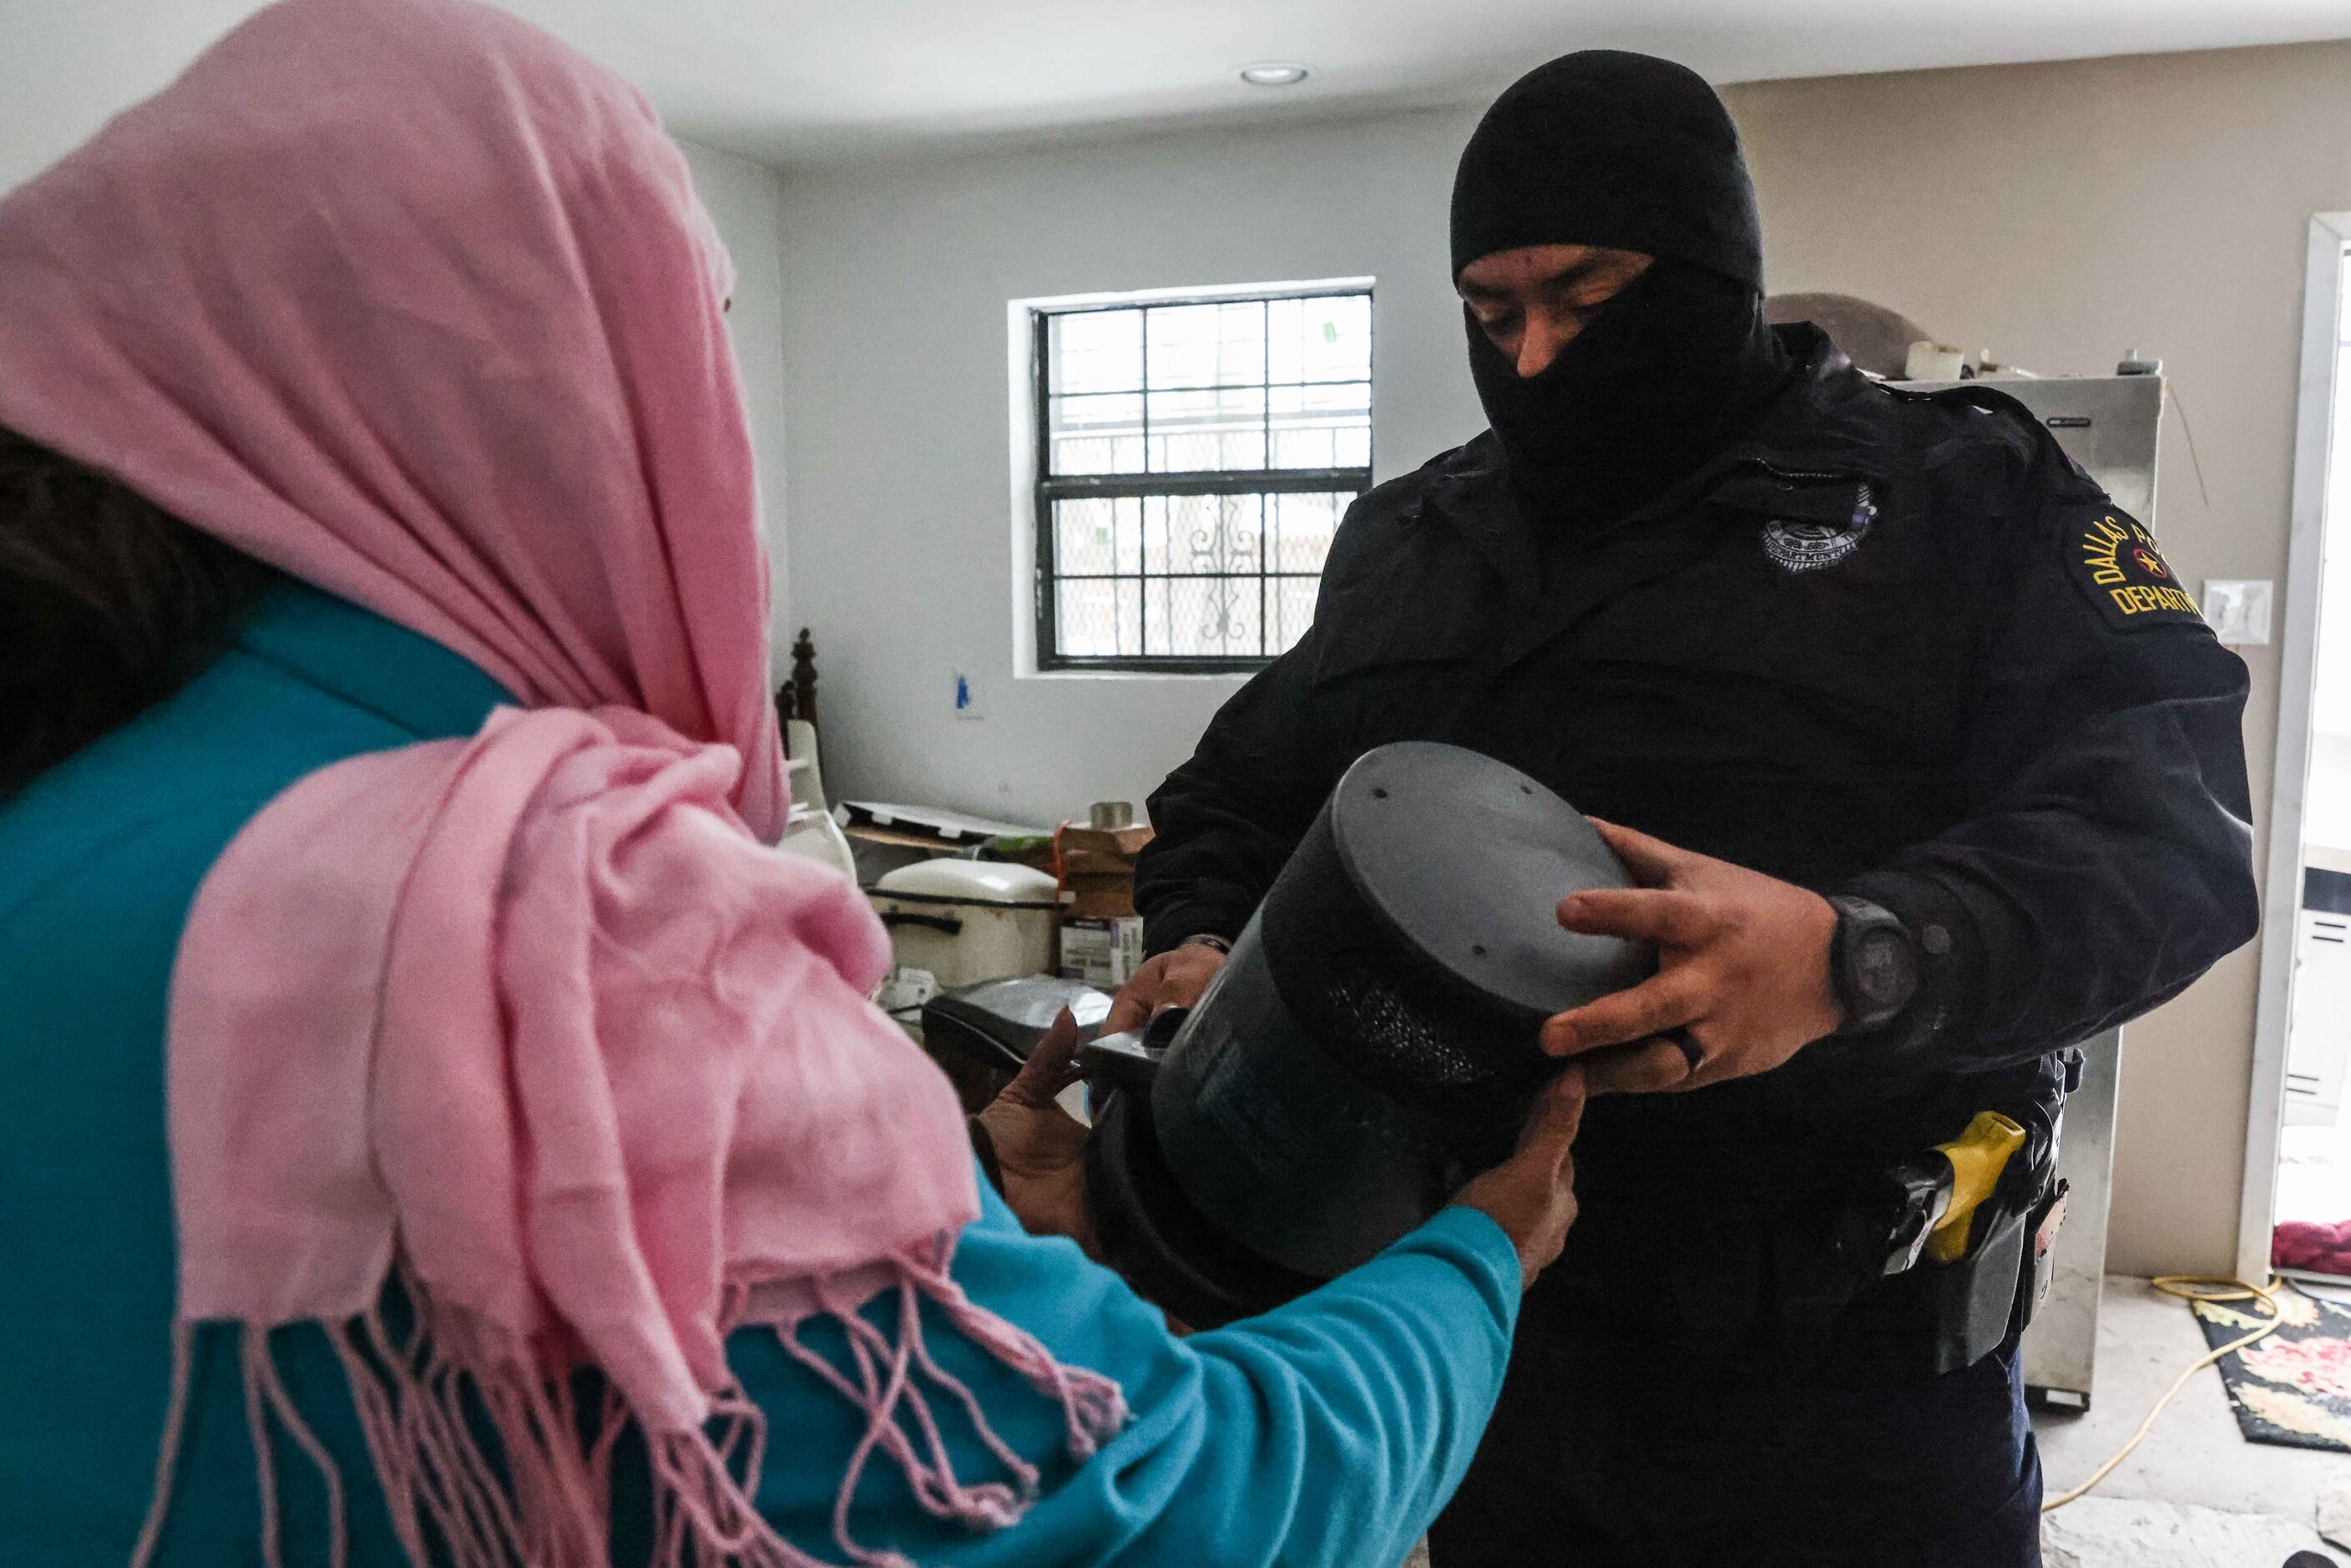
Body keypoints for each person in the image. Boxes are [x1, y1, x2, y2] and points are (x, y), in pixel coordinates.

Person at [0, 3, 1592, 1564]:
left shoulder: (60, 804)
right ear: (592, 405)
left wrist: (954, 1236)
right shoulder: (586, 936)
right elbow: (1170, 1509)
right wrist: (1466, 1270)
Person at [1119, 49, 2259, 1567]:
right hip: (1496, 1354)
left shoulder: (1964, 502)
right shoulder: (1414, 537)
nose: (1533, 360)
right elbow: (1230, 793)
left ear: (1718, 273)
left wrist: (1858, 955)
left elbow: (2175, 839)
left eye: (1590, 302)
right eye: (1491, 312)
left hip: (1850, 1393)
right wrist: (1208, 946)